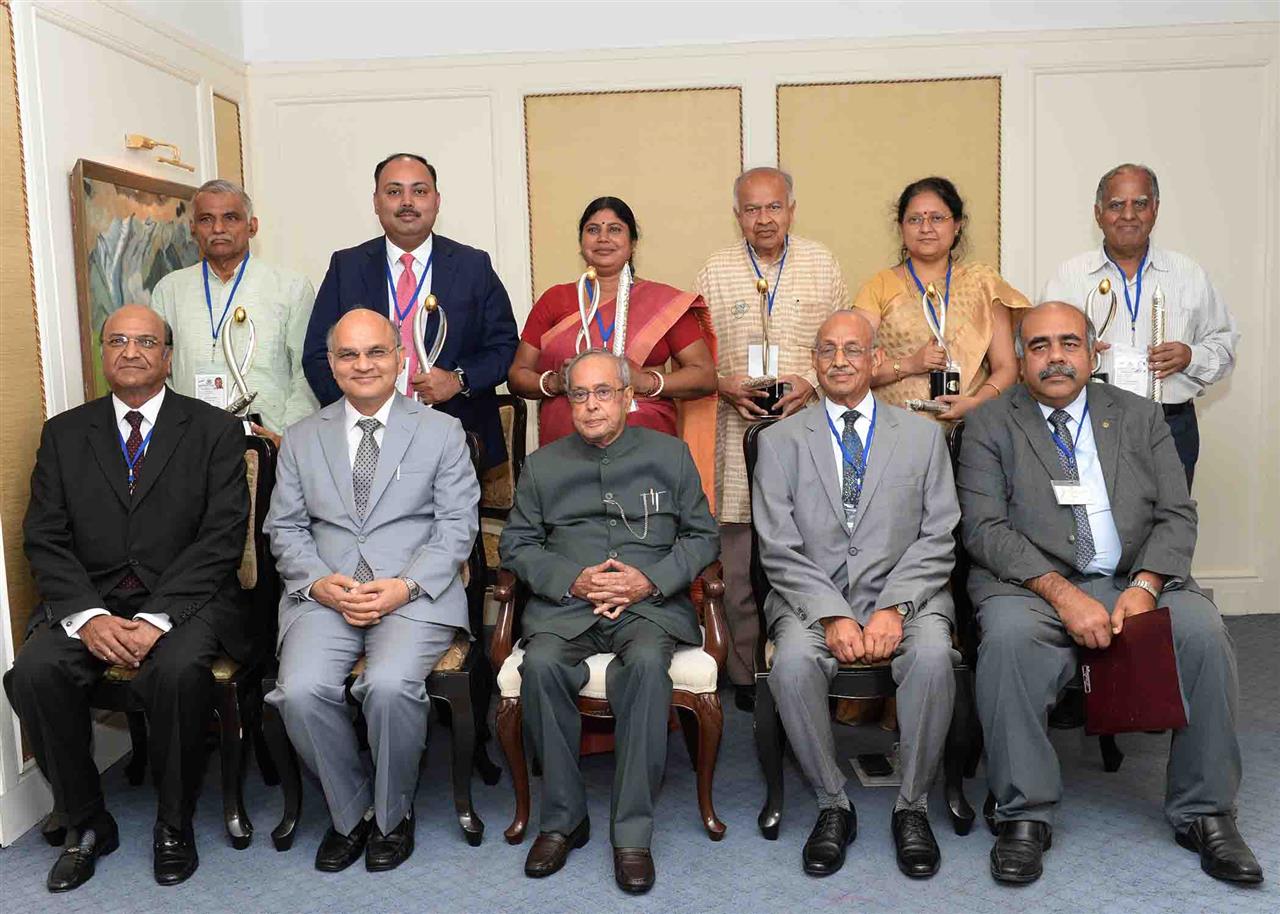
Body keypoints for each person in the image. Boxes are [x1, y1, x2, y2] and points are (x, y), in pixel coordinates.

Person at [956, 301, 1261, 886]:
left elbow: (1177, 514)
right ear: (1020, 358)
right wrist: (1062, 595)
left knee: (1202, 633)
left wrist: (1146, 586)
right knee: (1011, 643)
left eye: (1068, 343)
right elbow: (985, 530)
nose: (1054, 357)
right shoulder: (990, 425)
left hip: (1132, 577)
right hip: (1030, 583)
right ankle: (1025, 814)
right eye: (1039, 345)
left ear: (1091, 351)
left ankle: (1206, 811)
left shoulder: (1141, 416)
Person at [4, 305, 250, 890]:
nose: (131, 351)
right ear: (101, 353)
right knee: (35, 672)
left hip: (184, 599)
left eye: (146, 341)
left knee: (179, 671)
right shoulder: (64, 434)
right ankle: (87, 823)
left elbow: (222, 537)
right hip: (93, 602)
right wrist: (88, 617)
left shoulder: (214, 430)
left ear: (168, 356)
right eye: (118, 340)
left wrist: (158, 618)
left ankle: (174, 824)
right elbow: (44, 536)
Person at [265, 309, 479, 873]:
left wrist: (405, 586)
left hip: (414, 591)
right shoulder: (302, 438)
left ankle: (391, 815)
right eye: (349, 355)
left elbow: (458, 526)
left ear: (401, 358)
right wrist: (319, 584)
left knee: (387, 686)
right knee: (300, 690)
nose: (364, 365)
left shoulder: (441, 431)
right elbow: (284, 528)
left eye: (376, 352)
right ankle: (351, 811)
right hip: (326, 591)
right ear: (332, 366)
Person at [500, 349, 719, 895]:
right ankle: (563, 820)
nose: (592, 405)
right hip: (566, 605)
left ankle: (632, 833)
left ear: (628, 396)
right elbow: (516, 544)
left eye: (603, 392)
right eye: (579, 394)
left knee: (646, 663)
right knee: (543, 664)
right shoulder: (544, 464)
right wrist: (573, 579)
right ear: (567, 401)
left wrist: (649, 581)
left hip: (648, 604)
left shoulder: (669, 455)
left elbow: (702, 537)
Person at [753, 310, 959, 879]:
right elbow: (778, 546)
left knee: (935, 655)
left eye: (852, 350)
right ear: (814, 362)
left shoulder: (921, 436)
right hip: (810, 596)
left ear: (874, 361)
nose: (839, 360)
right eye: (826, 350)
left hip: (907, 594)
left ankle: (912, 806)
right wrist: (832, 614)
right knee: (793, 663)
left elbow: (940, 534)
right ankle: (831, 802)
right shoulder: (779, 442)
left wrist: (894, 607)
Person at [694, 166, 850, 708]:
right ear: (737, 214)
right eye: (752, 209)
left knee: (811, 552)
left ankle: (812, 666)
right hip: (736, 435)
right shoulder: (714, 270)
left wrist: (811, 383)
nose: (764, 218)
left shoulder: (821, 263)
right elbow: (693, 361)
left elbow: (844, 345)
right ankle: (745, 675)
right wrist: (723, 384)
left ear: (791, 208)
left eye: (773, 207)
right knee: (738, 564)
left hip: (808, 433)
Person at [302, 153, 519, 469]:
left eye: (419, 191)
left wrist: (459, 380)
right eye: (393, 192)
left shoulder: (474, 266)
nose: (407, 201)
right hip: (363, 438)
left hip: (454, 433)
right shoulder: (346, 267)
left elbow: (504, 347)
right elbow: (318, 355)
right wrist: (359, 408)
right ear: (376, 202)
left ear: (437, 200)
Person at [1041, 163, 1237, 490]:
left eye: (1140, 204)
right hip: (1088, 423)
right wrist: (1077, 354)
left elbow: (1225, 348)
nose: (1128, 215)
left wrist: (1191, 356)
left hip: (1170, 424)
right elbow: (1040, 351)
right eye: (1117, 205)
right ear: (1098, 213)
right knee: (1092, 529)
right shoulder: (1068, 277)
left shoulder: (1188, 274)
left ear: (1155, 210)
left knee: (1168, 529)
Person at [507, 196, 717, 498]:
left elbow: (705, 375)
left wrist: (645, 381)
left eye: (614, 229)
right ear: (581, 243)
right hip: (567, 444)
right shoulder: (556, 300)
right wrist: (554, 382)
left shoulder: (663, 302)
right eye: (593, 230)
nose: (603, 238)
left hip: (645, 447)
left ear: (632, 242)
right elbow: (517, 375)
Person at [150, 179, 317, 444]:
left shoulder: (291, 288)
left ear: (252, 226)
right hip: (190, 442)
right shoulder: (169, 290)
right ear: (192, 228)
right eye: (206, 219)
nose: (218, 228)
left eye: (230, 218)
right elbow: (157, 371)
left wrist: (288, 437)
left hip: (268, 440)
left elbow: (306, 372)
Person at [854, 176, 1029, 423]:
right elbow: (853, 366)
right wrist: (909, 364)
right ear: (901, 227)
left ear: (957, 225)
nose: (926, 228)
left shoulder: (983, 283)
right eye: (915, 219)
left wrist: (976, 404)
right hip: (896, 432)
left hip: (973, 430)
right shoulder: (878, 286)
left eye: (937, 218)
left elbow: (1006, 367)